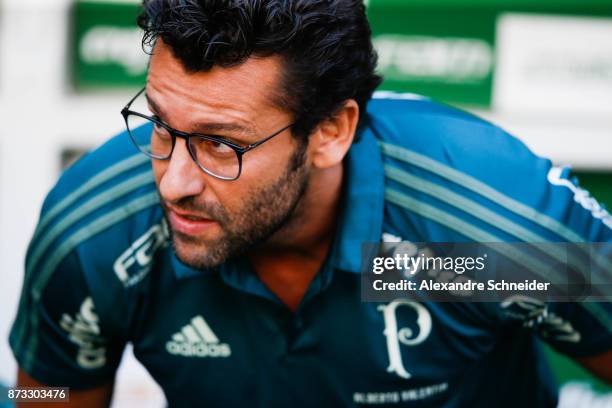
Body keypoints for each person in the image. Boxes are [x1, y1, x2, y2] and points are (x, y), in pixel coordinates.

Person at [10, 0, 612, 406]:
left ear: (330, 132)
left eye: (222, 144)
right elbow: (46, 397)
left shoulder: (482, 229)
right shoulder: (96, 229)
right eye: (162, 126)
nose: (172, 182)